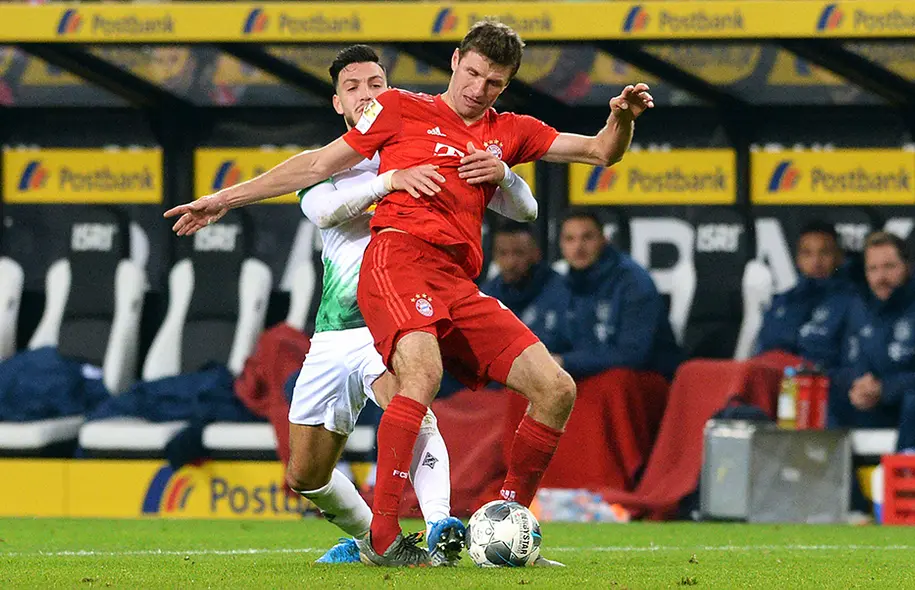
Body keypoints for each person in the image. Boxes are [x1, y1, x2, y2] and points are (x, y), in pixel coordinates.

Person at [165, 20, 652, 567]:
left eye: (494, 82)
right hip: (396, 261)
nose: (478, 89)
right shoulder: (398, 109)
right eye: (472, 74)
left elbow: (600, 153)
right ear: (454, 61)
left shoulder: (510, 131)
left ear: (507, 84)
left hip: (455, 281)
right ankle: (382, 532)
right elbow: (317, 166)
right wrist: (222, 199)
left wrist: (620, 119)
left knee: (556, 388)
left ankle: (507, 518)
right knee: (418, 380)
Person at [268, 45, 538, 566]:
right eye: (353, 87)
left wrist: (504, 172)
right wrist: (388, 182)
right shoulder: (328, 164)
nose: (367, 94)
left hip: (391, 314)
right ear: (337, 103)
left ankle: (440, 527)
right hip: (332, 330)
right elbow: (324, 212)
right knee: (305, 475)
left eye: (377, 84)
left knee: (413, 405)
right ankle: (370, 540)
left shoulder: (421, 143)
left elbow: (521, 207)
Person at [831, 232, 915, 450]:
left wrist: (885, 389)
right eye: (872, 269)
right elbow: (848, 362)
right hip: (870, 403)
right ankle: (828, 473)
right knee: (827, 395)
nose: (880, 277)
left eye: (889, 267)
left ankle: (905, 471)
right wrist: (858, 385)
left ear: (908, 266)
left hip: (908, 406)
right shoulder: (860, 304)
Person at [556, 208, 681, 380]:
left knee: (615, 381)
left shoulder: (633, 281)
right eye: (570, 239)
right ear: (561, 244)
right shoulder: (561, 283)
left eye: (587, 237)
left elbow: (633, 354)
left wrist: (566, 361)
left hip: (645, 379)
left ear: (604, 239)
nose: (578, 247)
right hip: (588, 376)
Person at [756, 220, 858, 370]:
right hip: (777, 378)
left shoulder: (853, 302)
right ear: (798, 259)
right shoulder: (782, 302)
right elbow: (761, 354)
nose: (816, 262)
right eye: (807, 253)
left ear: (839, 257)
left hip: (823, 381)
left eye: (824, 253)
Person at [481, 221, 571, 354]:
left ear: (536, 253)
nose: (510, 263)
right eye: (503, 253)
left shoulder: (563, 289)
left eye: (519, 253)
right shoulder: (486, 295)